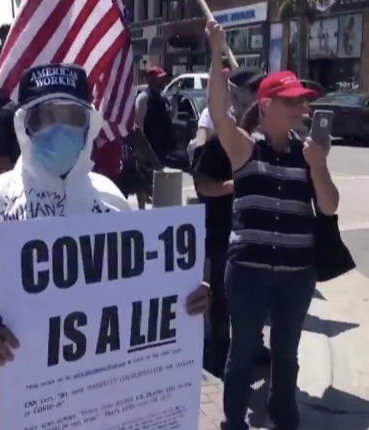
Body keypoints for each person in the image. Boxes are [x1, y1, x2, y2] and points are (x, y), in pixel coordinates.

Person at [0, 63, 211, 430]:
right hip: (19, 393)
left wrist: (182, 295)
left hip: (102, 395)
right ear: (26, 125)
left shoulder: (110, 199)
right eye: (46, 117)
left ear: (88, 124)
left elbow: (139, 286)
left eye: (71, 116)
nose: (60, 129)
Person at [206, 20, 339, 430]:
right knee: (242, 351)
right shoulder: (246, 147)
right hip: (247, 272)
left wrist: (319, 167)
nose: (301, 110)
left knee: (287, 351)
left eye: (302, 103)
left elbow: (330, 206)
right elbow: (217, 111)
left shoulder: (308, 152)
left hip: (297, 275)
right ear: (266, 107)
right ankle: (233, 419)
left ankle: (285, 416)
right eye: (291, 102)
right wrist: (215, 54)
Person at [190, 70, 271, 378]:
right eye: (253, 92)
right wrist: (235, 185)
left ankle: (254, 346)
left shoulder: (262, 141)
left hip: (255, 238)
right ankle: (218, 358)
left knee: (256, 299)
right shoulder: (218, 143)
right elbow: (203, 185)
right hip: (223, 235)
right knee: (223, 302)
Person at [133, 66, 174, 209]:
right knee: (143, 182)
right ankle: (142, 209)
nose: (162, 82)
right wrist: (141, 151)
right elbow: (138, 125)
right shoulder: (143, 99)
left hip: (161, 148)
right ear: (150, 80)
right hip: (147, 148)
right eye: (159, 79)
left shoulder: (163, 99)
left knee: (158, 184)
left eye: (162, 79)